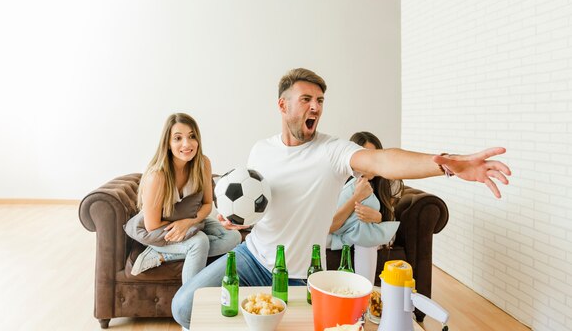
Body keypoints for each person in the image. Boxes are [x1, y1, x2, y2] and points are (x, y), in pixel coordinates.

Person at [171, 68, 510, 329]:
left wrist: (446, 165)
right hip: (251, 257)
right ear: (283, 105)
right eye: (306, 99)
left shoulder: (332, 151)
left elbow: (383, 160)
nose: (315, 107)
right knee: (184, 306)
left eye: (320, 101)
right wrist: (237, 221)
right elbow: (258, 204)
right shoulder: (261, 150)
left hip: (297, 276)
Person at [129, 113, 241, 284]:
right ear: (168, 143)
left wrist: (187, 223)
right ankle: (190, 301)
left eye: (191, 136)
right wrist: (185, 228)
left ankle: (166, 255)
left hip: (191, 219)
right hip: (159, 230)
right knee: (199, 242)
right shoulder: (157, 176)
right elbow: (152, 225)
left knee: (234, 238)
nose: (187, 144)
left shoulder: (203, 164)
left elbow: (206, 205)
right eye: (178, 138)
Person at [327, 131, 404, 283]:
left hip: (360, 233)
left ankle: (365, 296)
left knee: (367, 240)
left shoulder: (385, 183)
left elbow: (388, 220)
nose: (370, 164)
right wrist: (357, 197)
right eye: (365, 158)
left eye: (374, 157)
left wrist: (378, 217)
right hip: (334, 233)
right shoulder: (337, 180)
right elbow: (330, 226)